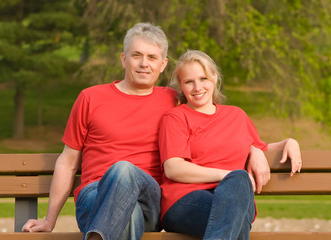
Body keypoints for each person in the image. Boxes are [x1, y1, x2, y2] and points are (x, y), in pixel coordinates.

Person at [21, 23, 271, 240]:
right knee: (124, 188)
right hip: (96, 194)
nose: (144, 64)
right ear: (123, 59)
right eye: (136, 55)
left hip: (149, 198)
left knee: (125, 171)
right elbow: (68, 161)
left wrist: (255, 149)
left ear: (162, 65)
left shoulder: (174, 100)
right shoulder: (91, 98)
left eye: (152, 57)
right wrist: (49, 219)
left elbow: (212, 123)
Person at [158, 50, 302, 240]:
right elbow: (173, 168)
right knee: (237, 200)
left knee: (237, 191)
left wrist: (289, 142)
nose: (197, 87)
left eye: (203, 78)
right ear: (181, 86)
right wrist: (226, 175)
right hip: (185, 201)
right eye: (189, 82)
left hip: (235, 199)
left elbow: (262, 147)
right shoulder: (176, 118)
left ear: (215, 78)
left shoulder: (236, 116)